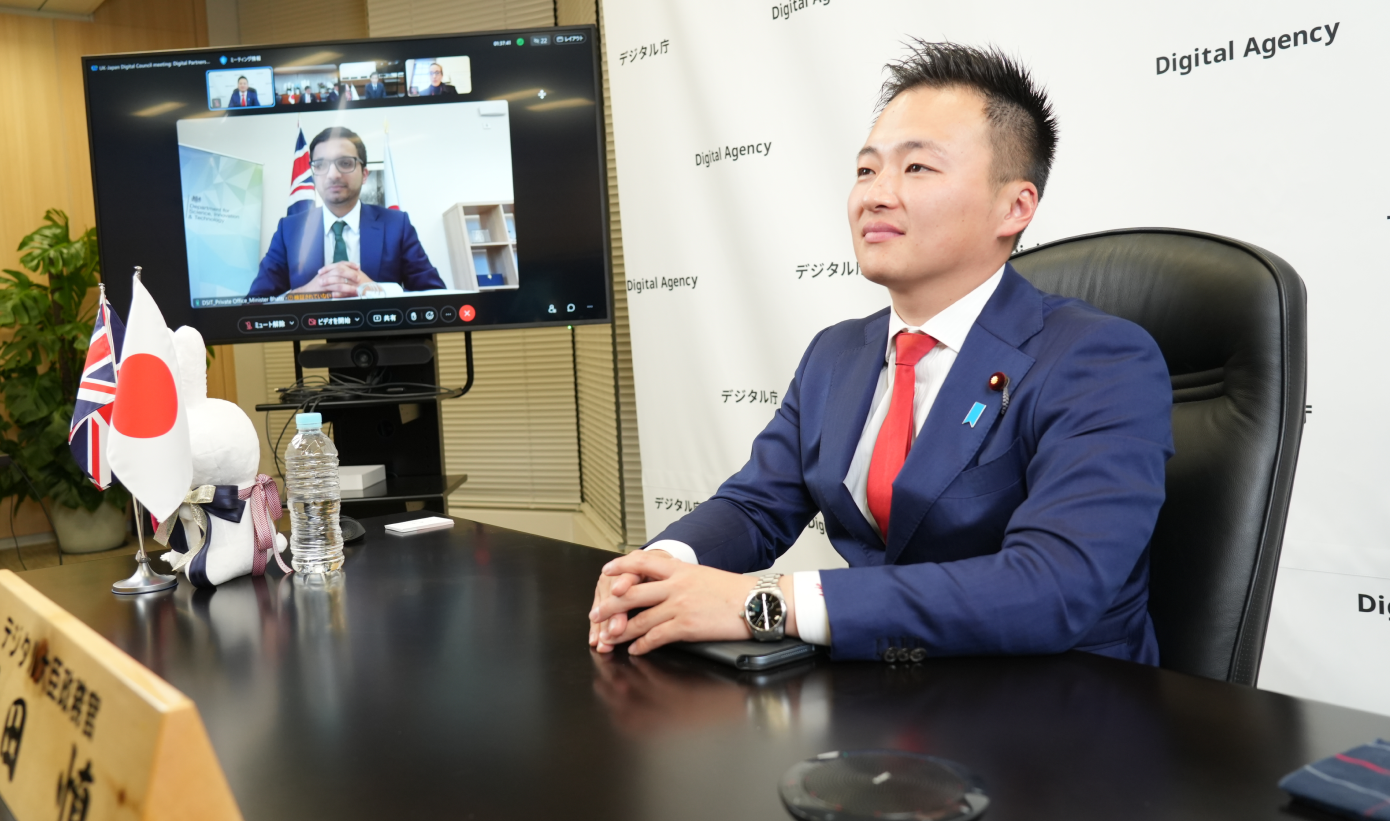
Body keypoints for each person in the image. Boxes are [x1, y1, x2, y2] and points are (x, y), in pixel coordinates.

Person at [588, 41, 1174, 666]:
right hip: (884, 697)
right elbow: (755, 505)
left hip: (1061, 715)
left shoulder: (1100, 359)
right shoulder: (837, 353)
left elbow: (1051, 586)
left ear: (1015, 206)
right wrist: (659, 568)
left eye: (916, 169)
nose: (875, 195)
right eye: (867, 170)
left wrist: (766, 601)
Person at [247, 127, 445, 299]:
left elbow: (436, 295)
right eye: (321, 165)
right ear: (313, 175)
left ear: (364, 174)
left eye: (345, 163)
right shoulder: (289, 230)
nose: (333, 174)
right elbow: (255, 303)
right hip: (313, 340)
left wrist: (378, 291)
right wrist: (302, 295)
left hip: (384, 339)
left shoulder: (396, 225)